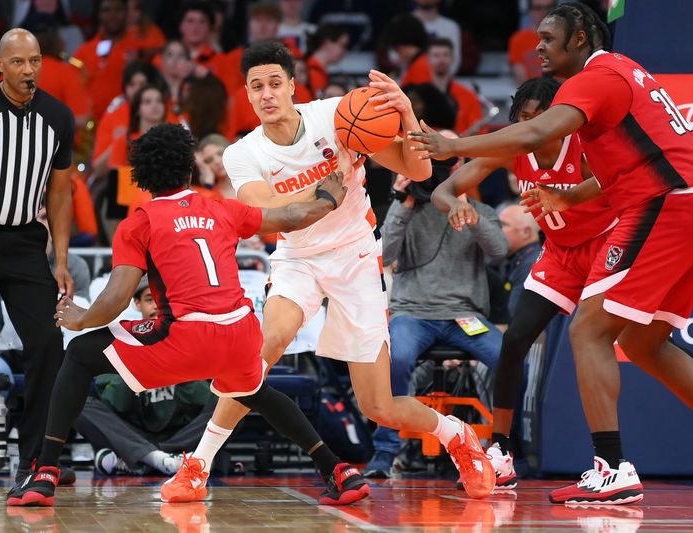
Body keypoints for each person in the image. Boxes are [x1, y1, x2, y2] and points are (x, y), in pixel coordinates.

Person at [411, 2, 693, 503]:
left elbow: (541, 131)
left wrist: (451, 146)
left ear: (581, 37)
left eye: (548, 37)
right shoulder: (625, 72)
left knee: (589, 329)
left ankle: (612, 467)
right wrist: (567, 196)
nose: (537, 46)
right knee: (646, 343)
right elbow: (621, 165)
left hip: (666, 206)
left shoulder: (596, 75)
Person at [171, 40, 496, 502]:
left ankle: (456, 434)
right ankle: (197, 466)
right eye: (257, 86)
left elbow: (418, 171)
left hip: (356, 257)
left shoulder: (337, 117)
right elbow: (267, 212)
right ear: (246, 93)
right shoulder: (242, 154)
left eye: (275, 84)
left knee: (379, 406)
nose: (267, 94)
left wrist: (405, 116)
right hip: (298, 258)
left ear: (292, 86)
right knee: (259, 353)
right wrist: (322, 198)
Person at [6, 123, 362, 507]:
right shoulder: (222, 208)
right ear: (190, 169)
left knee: (79, 355)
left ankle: (45, 473)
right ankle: (338, 469)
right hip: (240, 333)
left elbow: (116, 297)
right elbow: (292, 216)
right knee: (255, 390)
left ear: (141, 178)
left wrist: (81, 318)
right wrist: (328, 197)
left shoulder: (139, 222)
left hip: (184, 337)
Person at [430, 76, 619, 490]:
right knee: (514, 341)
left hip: (605, 247)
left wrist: (568, 196)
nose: (530, 124)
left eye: (538, 116)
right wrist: (455, 206)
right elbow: (443, 189)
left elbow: (615, 180)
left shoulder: (582, 146)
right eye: (524, 116)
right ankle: (501, 452)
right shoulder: (514, 149)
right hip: (559, 253)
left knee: (645, 343)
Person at [363, 136, 508, 479]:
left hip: (464, 315)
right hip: (413, 312)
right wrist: (403, 200)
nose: (434, 175)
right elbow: (386, 256)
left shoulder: (481, 210)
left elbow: (500, 251)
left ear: (458, 168)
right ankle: (385, 452)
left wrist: (464, 206)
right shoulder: (406, 210)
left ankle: (504, 448)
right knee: (395, 357)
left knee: (508, 359)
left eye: (442, 167)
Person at [0, 28, 75, 494]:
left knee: (46, 342)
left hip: (25, 241)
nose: (29, 70)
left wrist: (60, 259)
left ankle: (37, 461)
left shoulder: (58, 116)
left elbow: (60, 193)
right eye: (19, 62)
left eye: (36, 61)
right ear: (0, 66)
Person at [77, 277, 208, 477]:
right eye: (149, 299)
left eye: (163, 299)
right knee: (78, 403)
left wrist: (174, 365)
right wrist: (141, 367)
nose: (157, 305)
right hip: (133, 432)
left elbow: (203, 398)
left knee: (235, 398)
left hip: (181, 433)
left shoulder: (192, 336)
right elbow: (115, 403)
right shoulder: (121, 336)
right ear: (137, 303)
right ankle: (163, 458)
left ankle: (146, 457)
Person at [427, 37, 483, 135]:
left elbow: (480, 134)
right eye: (436, 55)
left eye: (445, 55)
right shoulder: (419, 95)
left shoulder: (468, 96)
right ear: (428, 59)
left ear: (453, 58)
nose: (441, 60)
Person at [497, 205, 541, 317]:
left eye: (502, 225)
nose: (496, 230)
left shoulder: (531, 266)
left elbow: (515, 317)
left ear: (526, 232)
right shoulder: (514, 258)